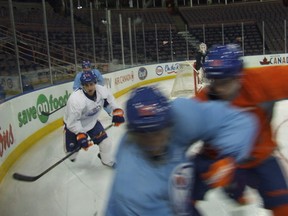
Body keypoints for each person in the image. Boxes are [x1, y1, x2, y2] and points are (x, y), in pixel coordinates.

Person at [105, 85, 258, 215]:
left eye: (158, 131)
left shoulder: (183, 116)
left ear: (171, 122)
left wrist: (227, 158)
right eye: (144, 135)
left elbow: (240, 121)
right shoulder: (134, 187)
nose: (154, 142)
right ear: (133, 134)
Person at [193, 44, 288, 215]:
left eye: (225, 82)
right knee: (184, 194)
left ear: (239, 76)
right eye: (214, 82)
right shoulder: (202, 101)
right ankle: (235, 191)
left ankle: (236, 190)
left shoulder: (262, 81)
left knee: (283, 206)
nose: (219, 89)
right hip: (219, 159)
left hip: (260, 157)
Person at [63, 71, 125, 167]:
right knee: (71, 155)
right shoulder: (76, 100)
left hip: (92, 122)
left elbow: (112, 101)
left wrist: (117, 111)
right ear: (82, 86)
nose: (89, 87)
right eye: (86, 85)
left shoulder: (102, 91)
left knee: (106, 143)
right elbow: (72, 122)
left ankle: (105, 160)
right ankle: (72, 148)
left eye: (91, 84)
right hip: (73, 126)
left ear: (95, 83)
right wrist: (80, 134)